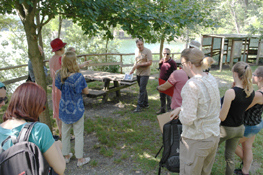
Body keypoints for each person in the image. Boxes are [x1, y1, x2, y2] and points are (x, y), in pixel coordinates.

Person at [170, 48, 221, 175]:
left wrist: (181, 113)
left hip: (197, 140)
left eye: (182, 65)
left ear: (189, 64)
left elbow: (187, 119)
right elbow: (205, 106)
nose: (182, 68)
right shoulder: (211, 78)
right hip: (213, 136)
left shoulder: (191, 85)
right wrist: (181, 108)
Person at [0, 82, 65, 175]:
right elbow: (60, 168)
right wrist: (57, 147)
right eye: (41, 108)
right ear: (34, 107)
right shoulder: (39, 130)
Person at [55, 51, 90, 167]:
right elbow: (86, 91)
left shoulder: (59, 75)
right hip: (77, 109)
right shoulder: (78, 77)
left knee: (65, 133)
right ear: (74, 62)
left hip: (64, 108)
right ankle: (80, 159)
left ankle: (66, 156)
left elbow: (59, 87)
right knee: (78, 134)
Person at [219, 61, 254, 175]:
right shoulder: (251, 92)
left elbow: (222, 117)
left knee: (208, 152)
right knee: (230, 157)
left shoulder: (231, 92)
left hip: (225, 129)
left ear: (235, 74)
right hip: (239, 128)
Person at [234, 66, 263, 175]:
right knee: (248, 148)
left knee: (231, 145)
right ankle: (244, 171)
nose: (252, 77)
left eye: (254, 75)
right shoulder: (260, 92)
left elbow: (243, 107)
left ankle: (245, 162)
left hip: (249, 125)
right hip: (256, 122)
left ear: (260, 78)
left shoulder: (258, 95)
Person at [49, 38, 67, 138]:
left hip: (54, 86)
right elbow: (66, 72)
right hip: (62, 85)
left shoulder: (51, 59)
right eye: (63, 47)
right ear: (60, 49)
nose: (64, 49)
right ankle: (63, 133)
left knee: (57, 108)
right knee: (63, 108)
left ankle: (60, 131)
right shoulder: (61, 59)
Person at [130, 39, 152, 112]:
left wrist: (140, 64)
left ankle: (139, 106)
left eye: (141, 44)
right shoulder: (136, 51)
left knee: (141, 89)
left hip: (145, 73)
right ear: (136, 45)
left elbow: (150, 62)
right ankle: (146, 103)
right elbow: (136, 62)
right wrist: (132, 70)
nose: (140, 46)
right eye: (139, 45)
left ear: (143, 44)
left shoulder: (147, 51)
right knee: (142, 88)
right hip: (138, 73)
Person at [156, 48, 177, 114]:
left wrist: (172, 82)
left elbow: (175, 73)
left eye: (167, 53)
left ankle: (169, 110)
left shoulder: (172, 62)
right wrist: (159, 64)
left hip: (168, 82)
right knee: (162, 96)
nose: (165, 55)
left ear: (169, 54)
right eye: (164, 53)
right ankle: (162, 109)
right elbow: (161, 69)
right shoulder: (162, 60)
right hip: (161, 81)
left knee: (169, 97)